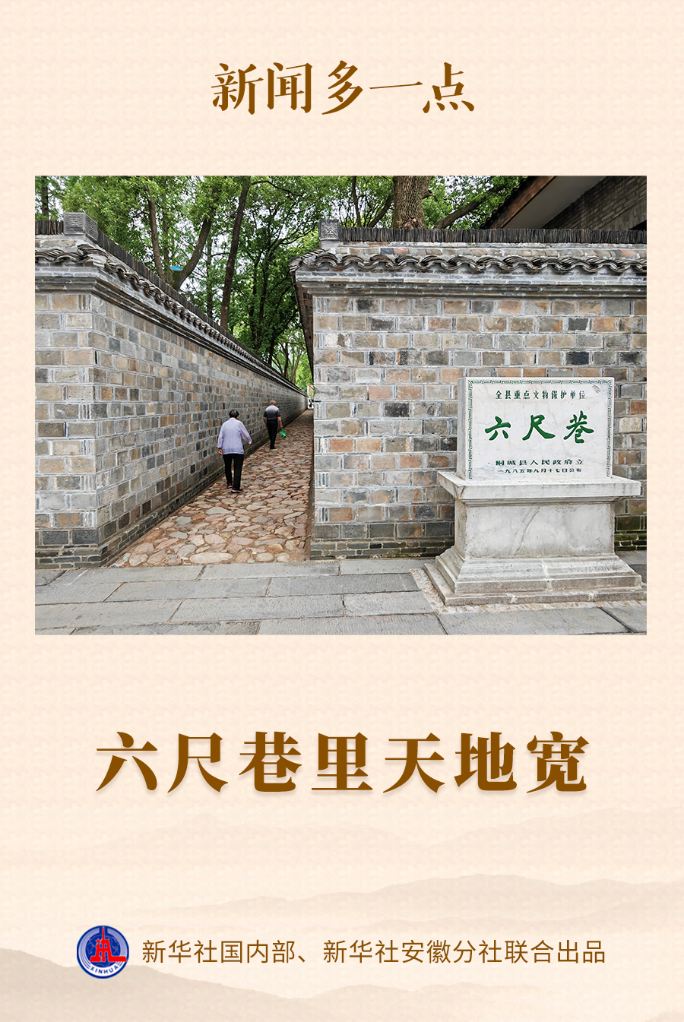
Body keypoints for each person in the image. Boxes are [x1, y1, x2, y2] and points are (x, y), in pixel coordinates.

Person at [217, 410, 251, 492]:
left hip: (226, 449)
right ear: (237, 416)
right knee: (237, 467)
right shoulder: (239, 423)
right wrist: (249, 441)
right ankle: (235, 486)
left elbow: (220, 436)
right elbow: (245, 435)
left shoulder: (224, 424)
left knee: (227, 466)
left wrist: (219, 448)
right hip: (237, 449)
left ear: (229, 416)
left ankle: (229, 483)